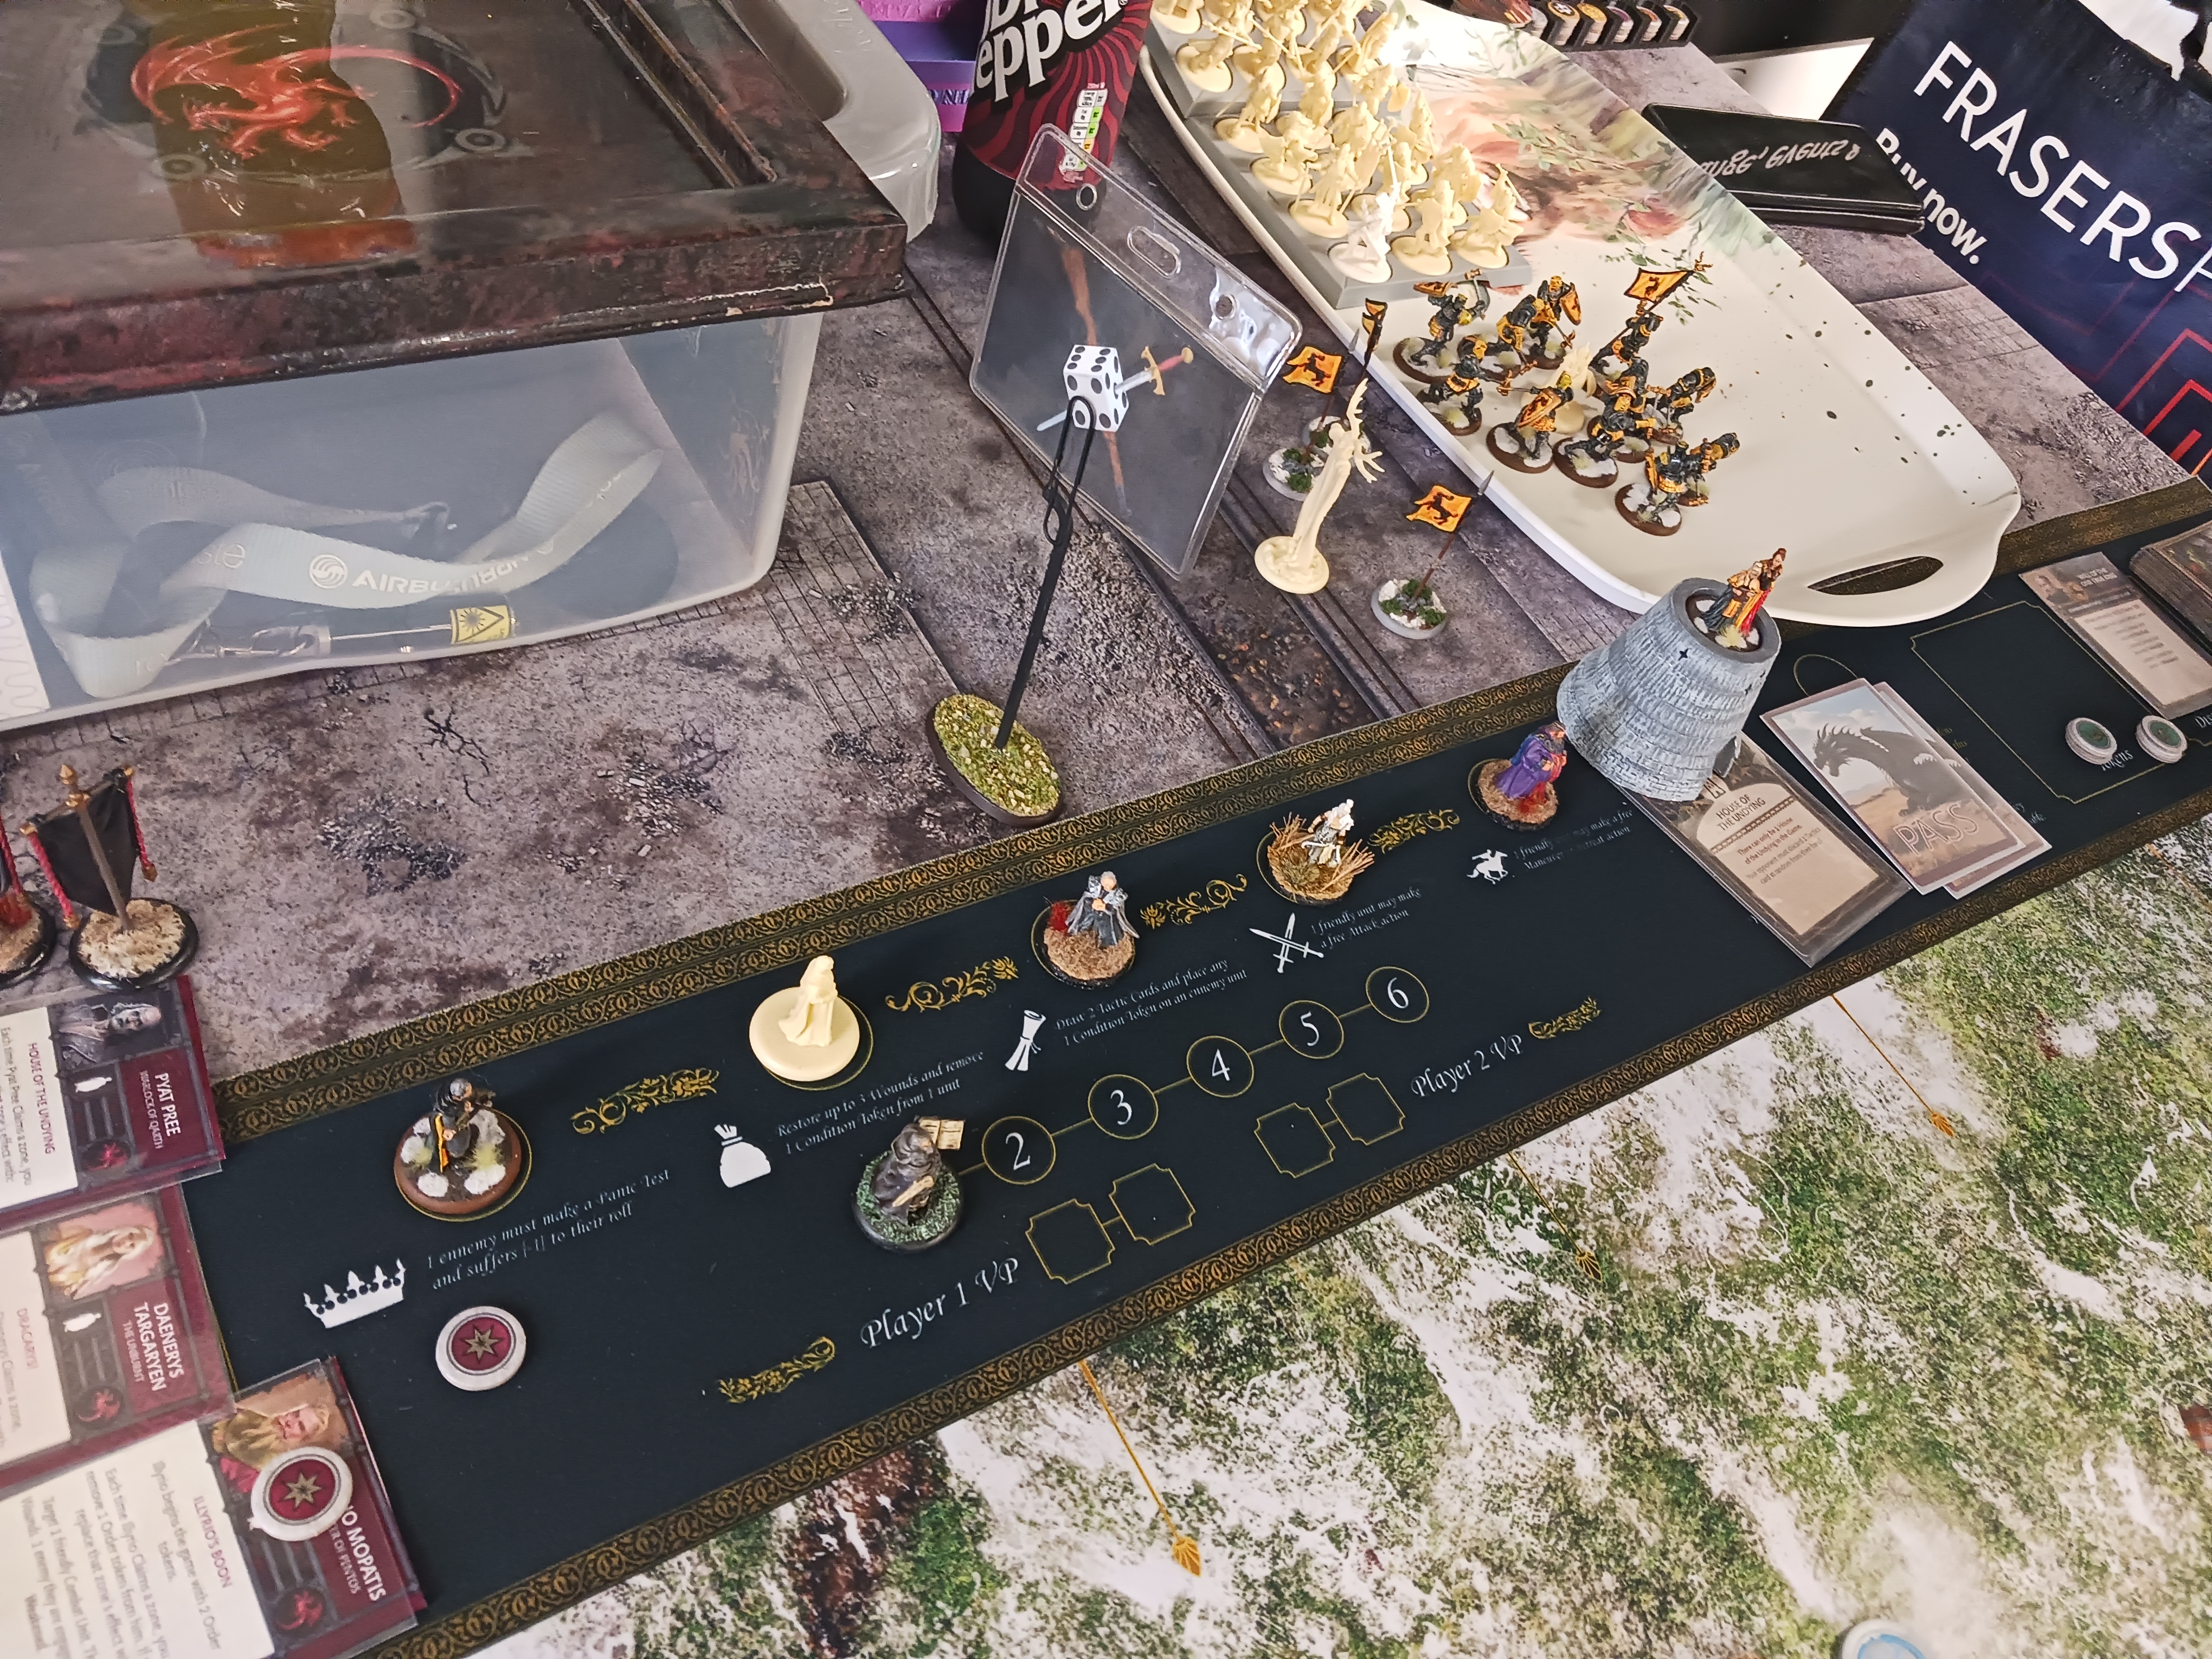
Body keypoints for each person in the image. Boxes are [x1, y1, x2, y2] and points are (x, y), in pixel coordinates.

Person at [43, 1221, 157, 1298]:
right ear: (125, 1230)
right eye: (130, 1236)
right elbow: (43, 1236)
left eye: (132, 1246)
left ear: (130, 1253)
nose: (126, 1242)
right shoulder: (82, 1233)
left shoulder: (93, 1276)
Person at [1065, 872, 1136, 950]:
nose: (1107, 887)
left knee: (1104, 931)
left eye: (1110, 886)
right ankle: (1079, 934)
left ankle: (1104, 945)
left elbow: (1114, 911)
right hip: (1091, 913)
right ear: (1102, 882)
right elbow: (1086, 899)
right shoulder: (1096, 888)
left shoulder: (1116, 895)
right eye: (1106, 884)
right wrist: (1093, 903)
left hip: (1104, 918)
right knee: (1084, 923)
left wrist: (1105, 908)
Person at [779, 956, 840, 1046]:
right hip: (815, 1007)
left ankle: (820, 1038)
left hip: (824, 1006)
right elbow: (812, 997)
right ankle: (808, 1036)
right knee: (812, 1021)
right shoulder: (813, 978)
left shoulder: (828, 974)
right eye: (824, 968)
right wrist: (822, 999)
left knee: (822, 1022)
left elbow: (831, 986)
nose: (825, 970)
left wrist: (831, 994)